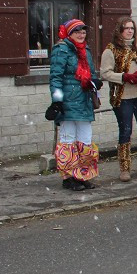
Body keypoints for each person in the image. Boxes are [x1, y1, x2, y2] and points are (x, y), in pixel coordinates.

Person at [100, 16, 137, 182]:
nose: (130, 31)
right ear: (120, 30)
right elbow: (105, 73)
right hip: (123, 97)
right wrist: (124, 77)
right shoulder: (110, 50)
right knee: (125, 131)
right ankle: (125, 169)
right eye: (126, 28)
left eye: (132, 28)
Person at [49, 19, 102, 191]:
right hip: (68, 101)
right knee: (68, 140)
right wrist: (57, 101)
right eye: (77, 32)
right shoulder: (61, 49)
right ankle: (69, 177)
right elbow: (55, 78)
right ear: (69, 33)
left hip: (84, 101)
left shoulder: (85, 50)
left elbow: (91, 73)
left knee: (85, 140)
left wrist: (94, 82)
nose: (81, 35)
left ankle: (82, 174)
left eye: (83, 32)